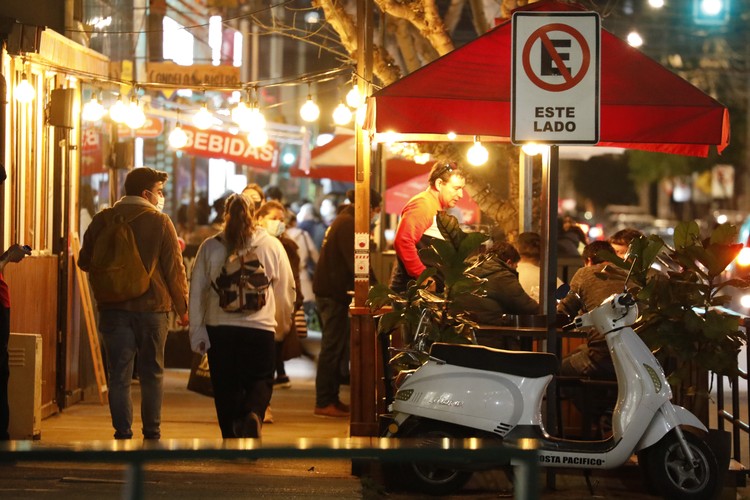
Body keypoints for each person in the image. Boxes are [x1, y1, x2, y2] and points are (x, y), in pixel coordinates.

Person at [78, 167, 189, 440]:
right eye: (159, 192)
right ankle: (152, 432)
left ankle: (122, 431)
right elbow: (174, 270)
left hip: (112, 309)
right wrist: (183, 308)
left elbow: (84, 261)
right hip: (153, 309)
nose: (162, 197)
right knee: (153, 373)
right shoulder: (160, 222)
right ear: (146, 193)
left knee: (118, 374)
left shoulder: (102, 219)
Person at [189, 194, 295, 438]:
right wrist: (281, 324)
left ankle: (230, 437)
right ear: (255, 215)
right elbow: (285, 289)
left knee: (225, 386)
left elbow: (197, 291)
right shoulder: (271, 245)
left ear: (225, 214)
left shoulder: (210, 246)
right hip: (260, 328)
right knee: (261, 380)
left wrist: (197, 331)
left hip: (219, 328)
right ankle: (254, 413)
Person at [313, 189, 382, 418]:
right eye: (376, 209)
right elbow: (358, 261)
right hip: (332, 294)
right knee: (332, 348)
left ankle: (331, 398)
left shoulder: (344, 219)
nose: (376, 214)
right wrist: (376, 288)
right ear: (368, 206)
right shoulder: (348, 223)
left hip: (333, 293)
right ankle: (324, 401)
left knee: (336, 347)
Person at [390, 161, 465, 293]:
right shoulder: (423, 205)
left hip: (423, 293)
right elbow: (403, 241)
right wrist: (423, 276)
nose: (461, 195)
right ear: (439, 184)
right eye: (456, 188)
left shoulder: (434, 206)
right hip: (412, 294)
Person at [557, 240, 627, 379]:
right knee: (579, 351)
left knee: (558, 370)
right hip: (635, 353)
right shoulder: (628, 273)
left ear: (588, 260)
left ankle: (582, 395)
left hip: (603, 356)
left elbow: (563, 311)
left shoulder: (585, 273)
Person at [256, 201, 304, 391]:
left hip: (279, 303)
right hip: (259, 305)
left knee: (274, 344)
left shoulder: (288, 246)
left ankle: (268, 387)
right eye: (273, 218)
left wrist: (296, 299)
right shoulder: (253, 243)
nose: (278, 223)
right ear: (260, 219)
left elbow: (294, 277)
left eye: (281, 220)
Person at [456, 241, 539, 325]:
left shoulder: (467, 269)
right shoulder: (502, 275)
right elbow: (527, 307)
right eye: (516, 266)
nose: (516, 269)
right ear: (509, 262)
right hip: (492, 328)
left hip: (463, 327)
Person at [516, 231, 563, 302]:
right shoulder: (548, 278)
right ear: (543, 251)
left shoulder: (509, 274)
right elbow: (566, 301)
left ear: (517, 249)